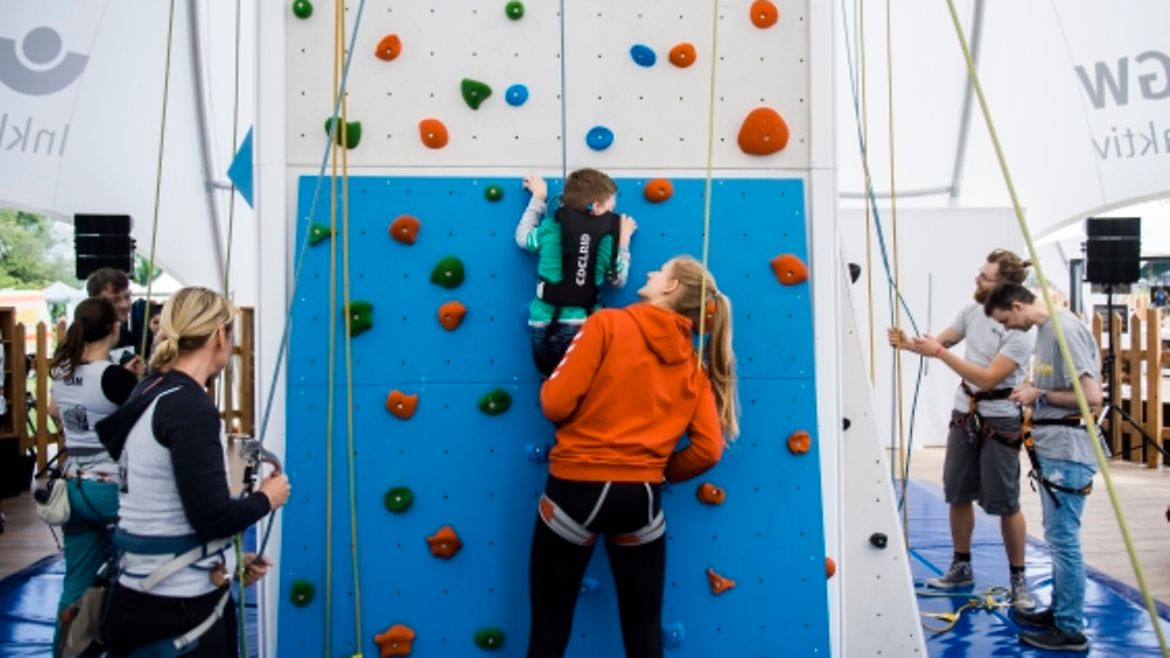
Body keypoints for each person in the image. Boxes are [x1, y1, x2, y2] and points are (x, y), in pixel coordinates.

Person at [527, 255, 737, 658]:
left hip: (575, 491)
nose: (651, 273)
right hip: (640, 499)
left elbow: (554, 404)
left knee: (549, 633)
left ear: (672, 287)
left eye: (661, 270)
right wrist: (655, 472)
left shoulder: (607, 324)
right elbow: (709, 449)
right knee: (643, 638)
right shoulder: (694, 367)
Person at [95, 287, 290, 657]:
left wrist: (226, 562)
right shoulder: (189, 407)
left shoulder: (150, 392)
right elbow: (212, 517)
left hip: (142, 593)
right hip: (178, 608)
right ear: (219, 336)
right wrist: (268, 498)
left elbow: (162, 509)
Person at [887, 249, 1036, 609]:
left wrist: (938, 352)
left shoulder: (1021, 330)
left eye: (984, 277)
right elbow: (943, 343)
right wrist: (909, 344)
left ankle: (1018, 579)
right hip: (965, 414)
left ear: (1005, 287)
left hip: (999, 417)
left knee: (1005, 502)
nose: (977, 280)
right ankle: (961, 565)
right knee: (956, 493)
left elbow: (987, 378)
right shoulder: (972, 312)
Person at [984, 282, 1102, 653]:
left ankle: (1069, 628)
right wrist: (1036, 391)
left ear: (1018, 305)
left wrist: (1040, 395)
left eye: (1007, 319)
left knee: (1064, 540)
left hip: (1069, 451)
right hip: (1055, 448)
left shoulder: (1065, 330)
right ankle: (1060, 612)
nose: (1008, 328)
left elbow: (1091, 396)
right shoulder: (1047, 331)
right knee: (1057, 538)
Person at [46, 298, 139, 656]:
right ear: (114, 329)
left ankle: (64, 651)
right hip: (111, 487)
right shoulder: (113, 378)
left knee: (76, 581)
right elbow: (141, 417)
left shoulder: (62, 372)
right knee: (136, 575)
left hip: (75, 486)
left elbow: (59, 410)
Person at [516, 169, 637, 376]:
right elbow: (618, 280)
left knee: (552, 384)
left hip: (543, 324)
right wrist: (624, 241)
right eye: (611, 208)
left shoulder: (550, 228)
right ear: (597, 208)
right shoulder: (608, 241)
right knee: (585, 389)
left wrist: (538, 199)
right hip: (583, 326)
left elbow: (523, 238)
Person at [85, 268, 143, 376]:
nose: (125, 305)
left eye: (127, 297)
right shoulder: (82, 339)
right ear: (94, 302)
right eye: (115, 300)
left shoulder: (128, 336)